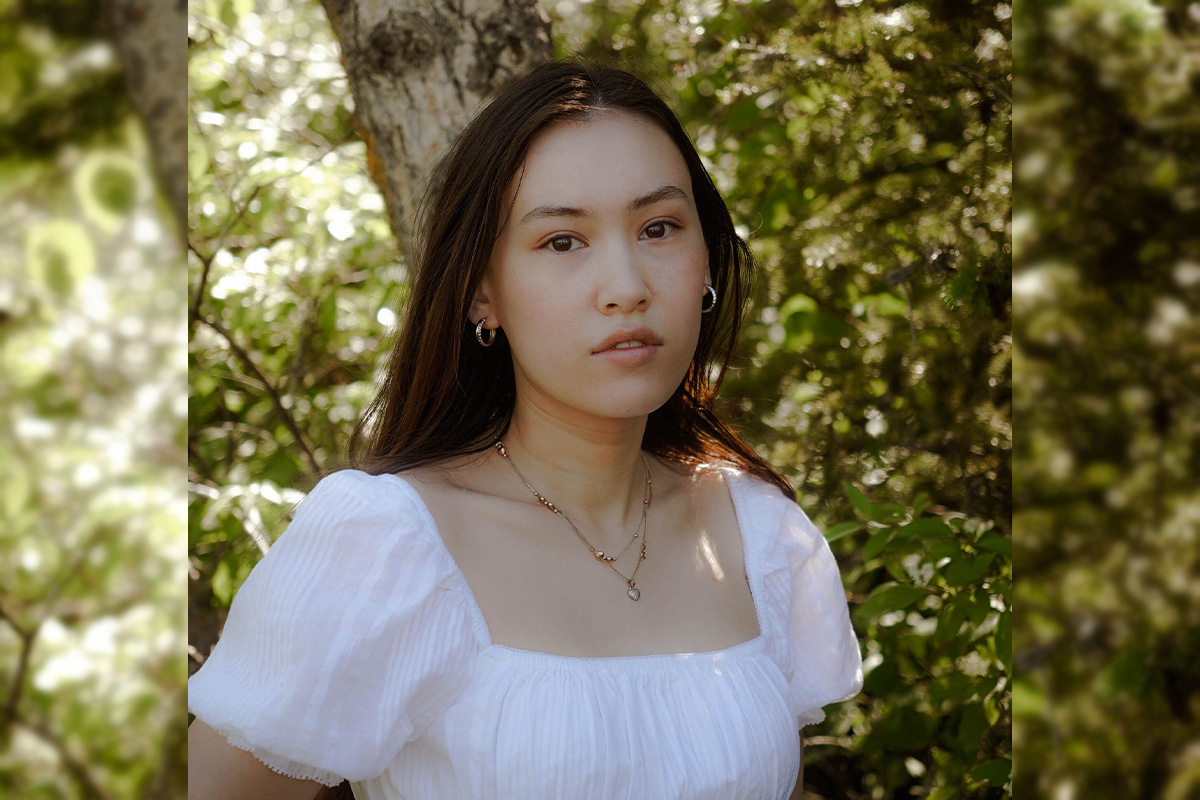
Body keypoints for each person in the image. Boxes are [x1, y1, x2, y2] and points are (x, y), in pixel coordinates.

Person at [188, 58, 863, 800]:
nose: (628, 288)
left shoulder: (757, 532)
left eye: (659, 228)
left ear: (706, 260)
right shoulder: (387, 543)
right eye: (562, 242)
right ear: (484, 294)